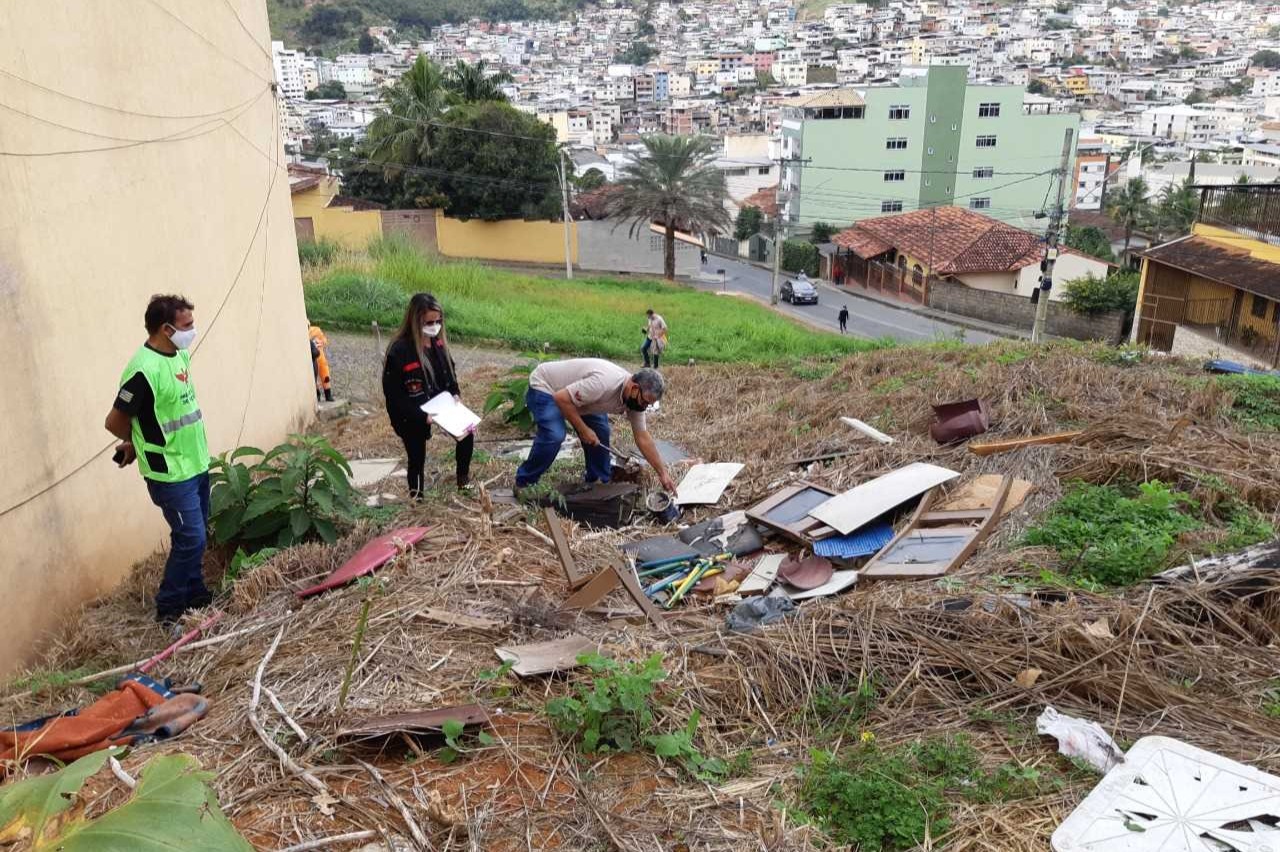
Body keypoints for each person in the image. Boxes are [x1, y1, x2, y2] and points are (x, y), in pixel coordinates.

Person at [105, 294, 212, 626]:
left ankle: (195, 593)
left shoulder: (178, 356)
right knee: (190, 537)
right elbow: (115, 421)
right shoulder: (143, 370)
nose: (192, 331)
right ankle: (169, 608)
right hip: (169, 472)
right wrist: (134, 444)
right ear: (166, 329)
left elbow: (166, 414)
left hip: (194, 462)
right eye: (187, 325)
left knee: (198, 535)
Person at [515, 359, 677, 495]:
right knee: (554, 435)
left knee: (601, 432)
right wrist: (583, 429)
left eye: (648, 404)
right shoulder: (603, 383)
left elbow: (642, 437)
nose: (643, 407)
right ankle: (524, 482)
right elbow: (561, 398)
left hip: (583, 399)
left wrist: (662, 474)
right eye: (644, 401)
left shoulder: (635, 401)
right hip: (547, 387)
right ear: (634, 387)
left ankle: (597, 482)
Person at [382, 293, 474, 499]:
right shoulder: (399, 352)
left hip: (440, 403)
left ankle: (463, 482)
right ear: (415, 321)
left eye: (438, 321)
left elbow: (450, 373)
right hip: (411, 411)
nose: (434, 326)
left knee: (467, 433)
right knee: (417, 457)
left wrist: (455, 393)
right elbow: (395, 397)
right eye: (428, 322)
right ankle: (417, 499)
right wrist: (421, 417)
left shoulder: (438, 344)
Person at [309, 322, 333, 402]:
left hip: (320, 359)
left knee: (325, 375)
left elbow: (324, 340)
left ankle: (328, 394)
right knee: (313, 377)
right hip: (313, 360)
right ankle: (317, 394)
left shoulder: (316, 330)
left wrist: (322, 342)